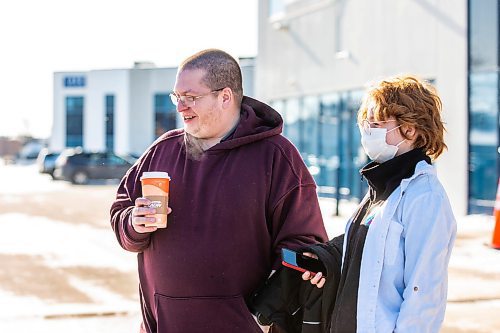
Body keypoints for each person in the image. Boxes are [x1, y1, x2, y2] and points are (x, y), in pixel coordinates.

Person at [110, 49, 328, 333]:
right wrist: (133, 223)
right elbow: (121, 211)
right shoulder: (162, 151)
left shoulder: (275, 156)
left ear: (225, 96)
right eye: (177, 97)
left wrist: (265, 315)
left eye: (191, 97)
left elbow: (302, 245)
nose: (180, 107)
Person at [302, 75, 457, 332]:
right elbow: (364, 258)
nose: (367, 131)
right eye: (366, 123)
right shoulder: (382, 189)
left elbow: (424, 293)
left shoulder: (425, 197)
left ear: (410, 129)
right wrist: (325, 259)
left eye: (376, 123)